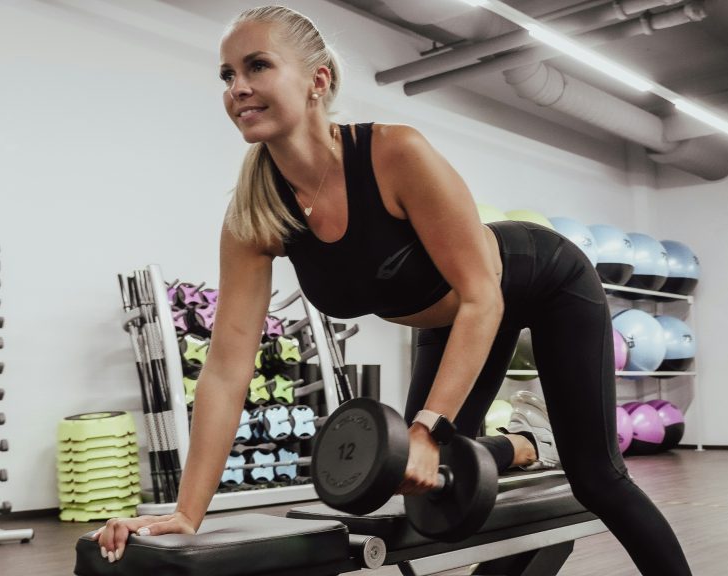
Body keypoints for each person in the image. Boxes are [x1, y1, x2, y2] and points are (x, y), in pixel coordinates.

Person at [94, 6, 692, 575]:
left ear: (316, 80)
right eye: (227, 75)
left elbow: (484, 296)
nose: (237, 88)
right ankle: (522, 444)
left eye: (257, 66)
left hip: (540, 279)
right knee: (414, 488)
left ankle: (547, 453)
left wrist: (430, 428)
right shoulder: (256, 216)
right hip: (447, 317)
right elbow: (226, 371)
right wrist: (186, 513)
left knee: (596, 480)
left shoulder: (392, 153)